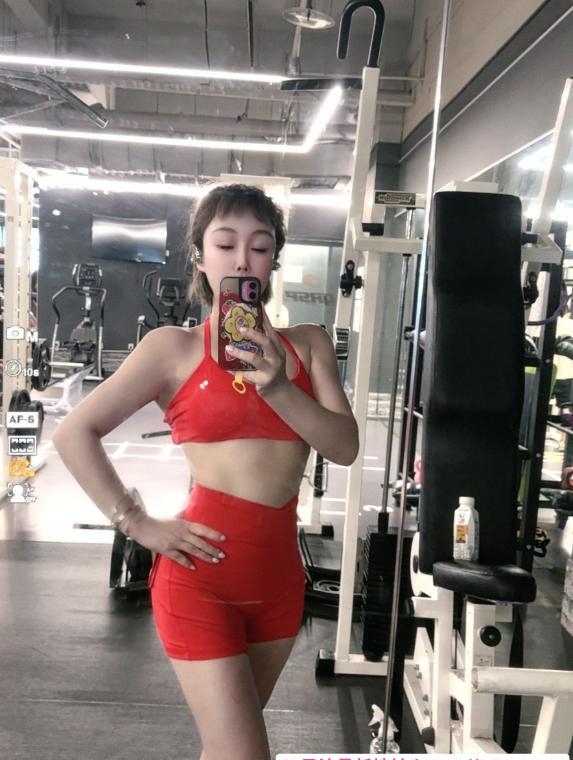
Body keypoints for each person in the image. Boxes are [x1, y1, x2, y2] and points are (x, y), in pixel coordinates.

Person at [53, 183, 359, 760]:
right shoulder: (171, 349)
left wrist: (277, 386)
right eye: (225, 244)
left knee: (225, 750)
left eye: (259, 247)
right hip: (200, 578)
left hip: (278, 584)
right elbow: (74, 433)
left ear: (273, 260)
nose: (242, 260)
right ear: (200, 256)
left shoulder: (309, 346)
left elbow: (343, 447)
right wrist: (136, 522)